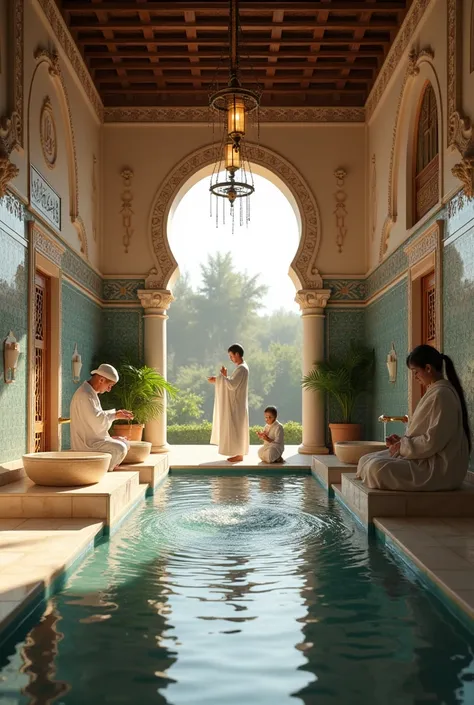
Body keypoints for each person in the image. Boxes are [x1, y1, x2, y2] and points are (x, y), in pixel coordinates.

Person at [356, 345, 471, 491]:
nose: (415, 377)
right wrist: (401, 442)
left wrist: (403, 446)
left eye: (416, 372)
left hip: (438, 467)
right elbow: (424, 435)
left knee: (376, 468)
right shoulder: (435, 391)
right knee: (365, 460)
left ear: (428, 368)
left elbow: (433, 442)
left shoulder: (442, 395)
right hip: (424, 456)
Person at [70, 363, 134, 471]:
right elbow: (97, 422)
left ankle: (109, 466)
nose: (109, 390)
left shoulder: (90, 393)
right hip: (86, 445)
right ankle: (102, 470)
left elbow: (95, 421)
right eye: (110, 386)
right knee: (120, 448)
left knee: (125, 444)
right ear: (101, 380)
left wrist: (111, 437)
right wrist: (115, 415)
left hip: (93, 440)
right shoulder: (85, 395)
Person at [208, 343, 249, 463]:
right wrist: (220, 378)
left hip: (237, 404)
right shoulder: (241, 368)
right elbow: (232, 382)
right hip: (238, 403)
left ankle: (239, 454)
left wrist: (221, 377)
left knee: (237, 428)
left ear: (237, 354)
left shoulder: (242, 369)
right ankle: (238, 453)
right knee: (237, 427)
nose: (230, 358)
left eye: (231, 356)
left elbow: (231, 385)